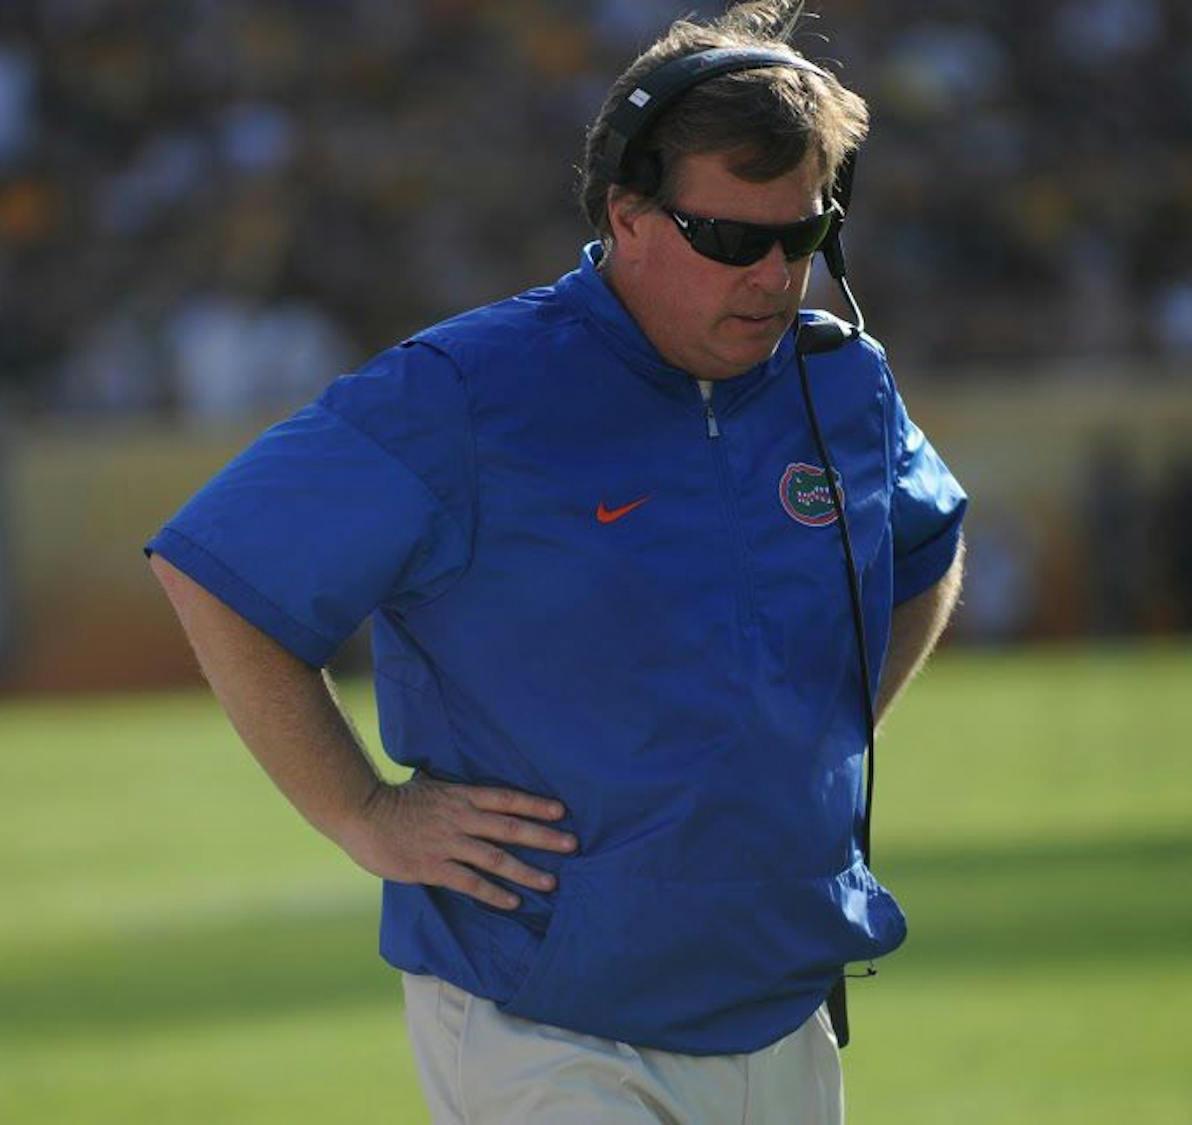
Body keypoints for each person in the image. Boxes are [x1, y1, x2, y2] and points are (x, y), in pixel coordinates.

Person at [146, 2, 966, 1121]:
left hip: (782, 1001)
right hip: (539, 1017)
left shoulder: (846, 384)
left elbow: (924, 549)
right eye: (731, 238)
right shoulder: (468, 392)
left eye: (806, 235)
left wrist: (828, 730)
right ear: (629, 214)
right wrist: (364, 817)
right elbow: (216, 569)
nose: (777, 276)